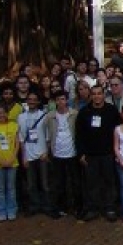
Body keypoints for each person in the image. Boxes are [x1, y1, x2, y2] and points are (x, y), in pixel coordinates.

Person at [74, 84, 121, 222]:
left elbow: (119, 131)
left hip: (108, 153)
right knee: (91, 183)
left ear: (103, 95)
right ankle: (92, 208)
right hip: (90, 154)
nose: (96, 96)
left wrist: (117, 152)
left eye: (99, 93)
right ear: (91, 95)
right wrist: (81, 153)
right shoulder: (84, 112)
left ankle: (110, 208)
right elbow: (79, 135)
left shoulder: (111, 111)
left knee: (109, 182)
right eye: (94, 93)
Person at [18, 91, 53, 218]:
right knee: (31, 184)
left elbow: (48, 136)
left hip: (42, 153)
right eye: (29, 99)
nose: (32, 101)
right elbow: (21, 138)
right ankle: (34, 206)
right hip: (29, 154)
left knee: (45, 183)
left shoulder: (44, 116)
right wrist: (24, 157)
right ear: (27, 101)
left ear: (38, 102)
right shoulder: (21, 117)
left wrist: (46, 152)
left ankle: (47, 206)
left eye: (34, 99)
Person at [45, 90, 79, 218]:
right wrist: (49, 151)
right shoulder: (50, 116)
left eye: (63, 99)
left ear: (67, 100)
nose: (61, 102)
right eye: (58, 99)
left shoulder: (74, 114)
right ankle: (60, 207)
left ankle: (76, 207)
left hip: (72, 153)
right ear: (55, 102)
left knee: (75, 182)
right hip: (57, 154)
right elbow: (48, 136)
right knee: (59, 183)